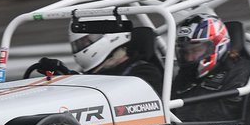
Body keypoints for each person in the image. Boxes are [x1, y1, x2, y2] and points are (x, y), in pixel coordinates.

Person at [28, 24, 164, 94]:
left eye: (88, 40)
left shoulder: (145, 72)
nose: (83, 45)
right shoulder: (94, 74)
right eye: (80, 43)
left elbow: (114, 95)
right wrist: (63, 75)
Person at [173, 12, 250, 122]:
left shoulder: (239, 72)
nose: (190, 58)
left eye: (195, 50)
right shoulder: (185, 76)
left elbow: (224, 115)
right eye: (186, 52)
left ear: (218, 45)